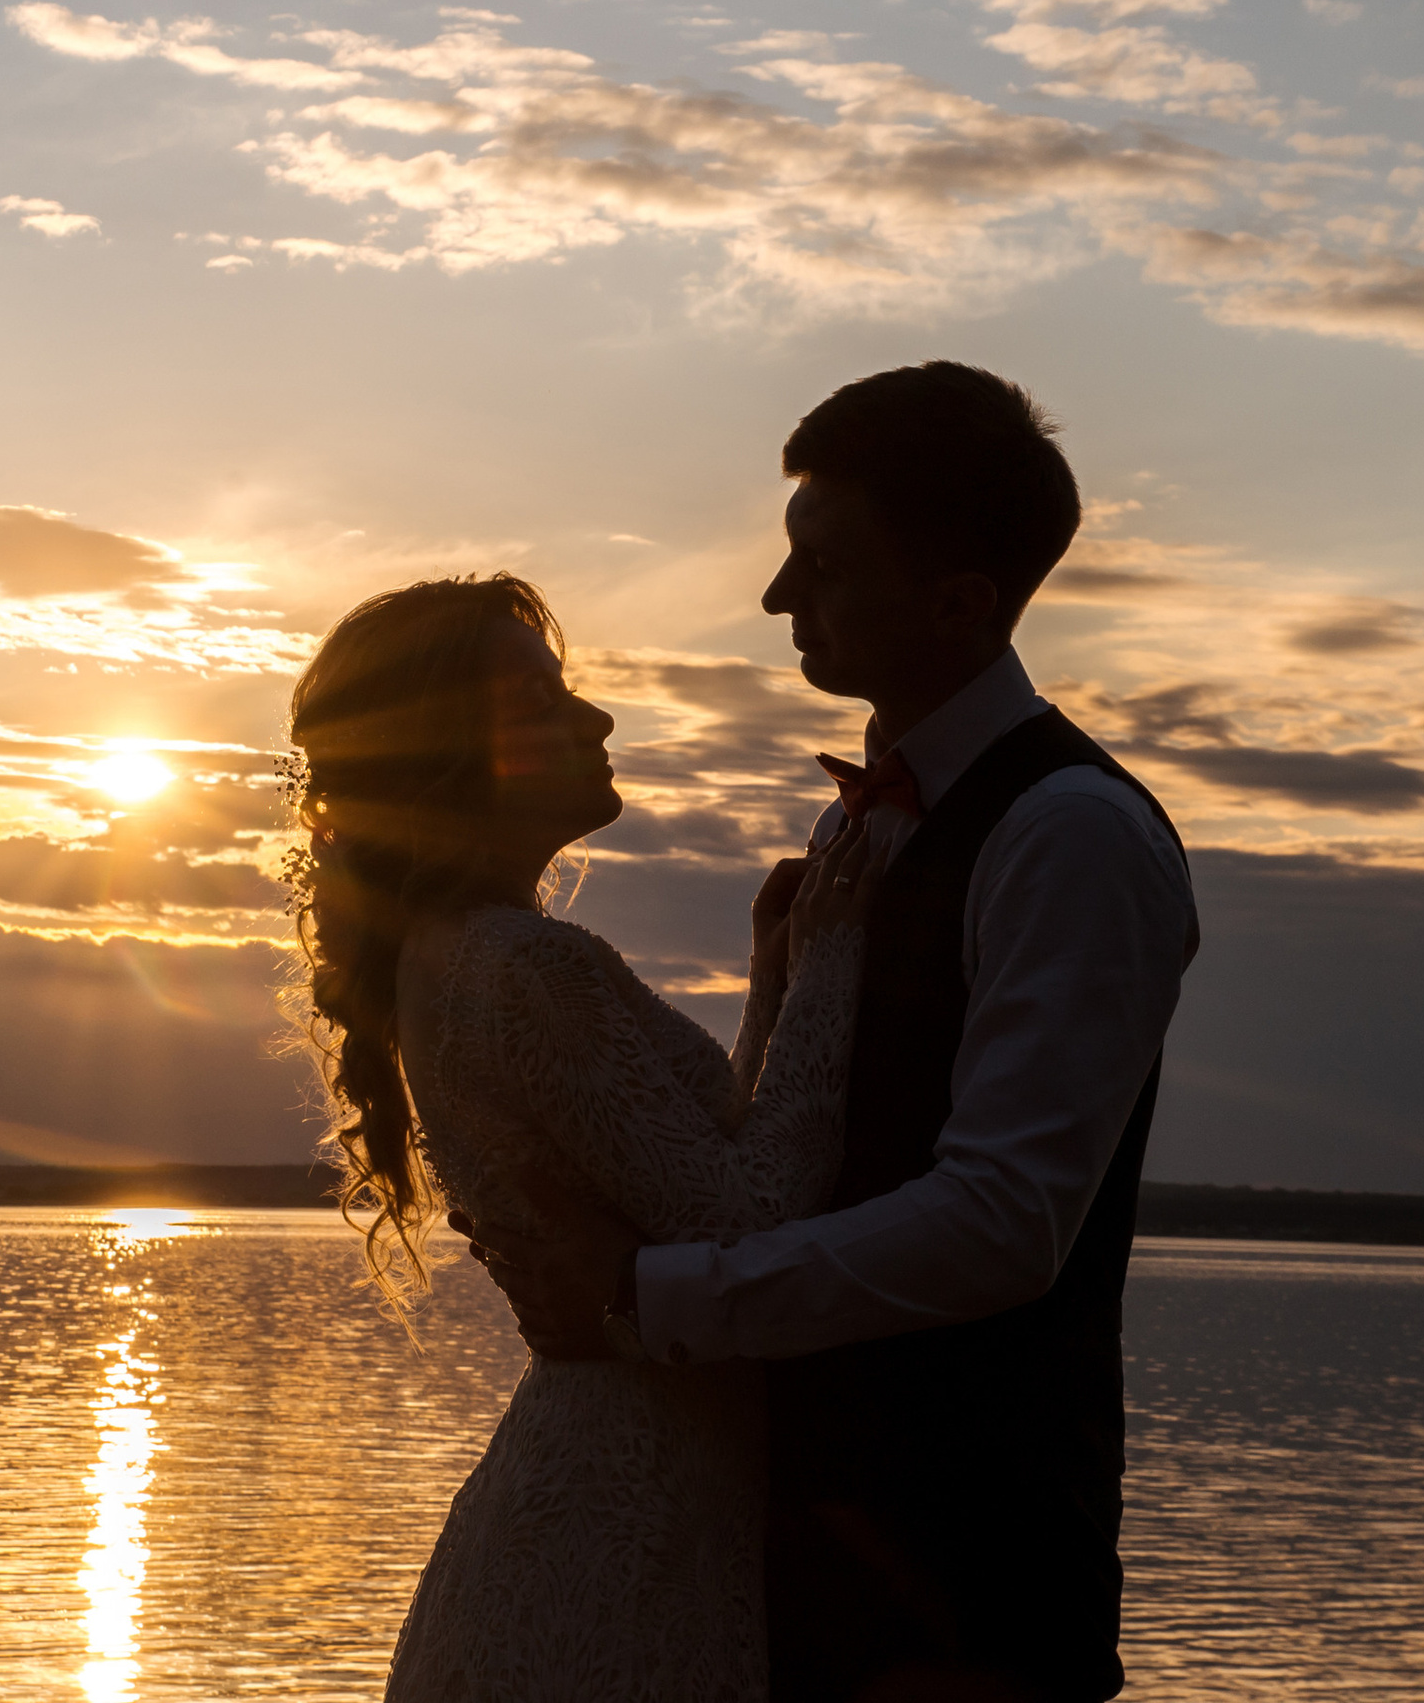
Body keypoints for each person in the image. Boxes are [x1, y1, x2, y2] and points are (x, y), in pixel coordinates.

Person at [458, 362, 1202, 1703]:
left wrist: (640, 1298)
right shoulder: (855, 826)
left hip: (961, 1581)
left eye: (825, 565)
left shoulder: (1073, 838)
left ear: (960, 601)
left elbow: (1003, 1219)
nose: (775, 598)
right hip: (782, 1557)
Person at [286, 570, 884, 1701]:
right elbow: (750, 1215)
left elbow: (694, 1170)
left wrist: (776, 977)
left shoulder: (454, 951)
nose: (594, 718)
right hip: (624, 1518)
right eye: (544, 700)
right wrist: (840, 959)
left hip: (604, 1489)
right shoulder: (524, 965)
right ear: (449, 749)